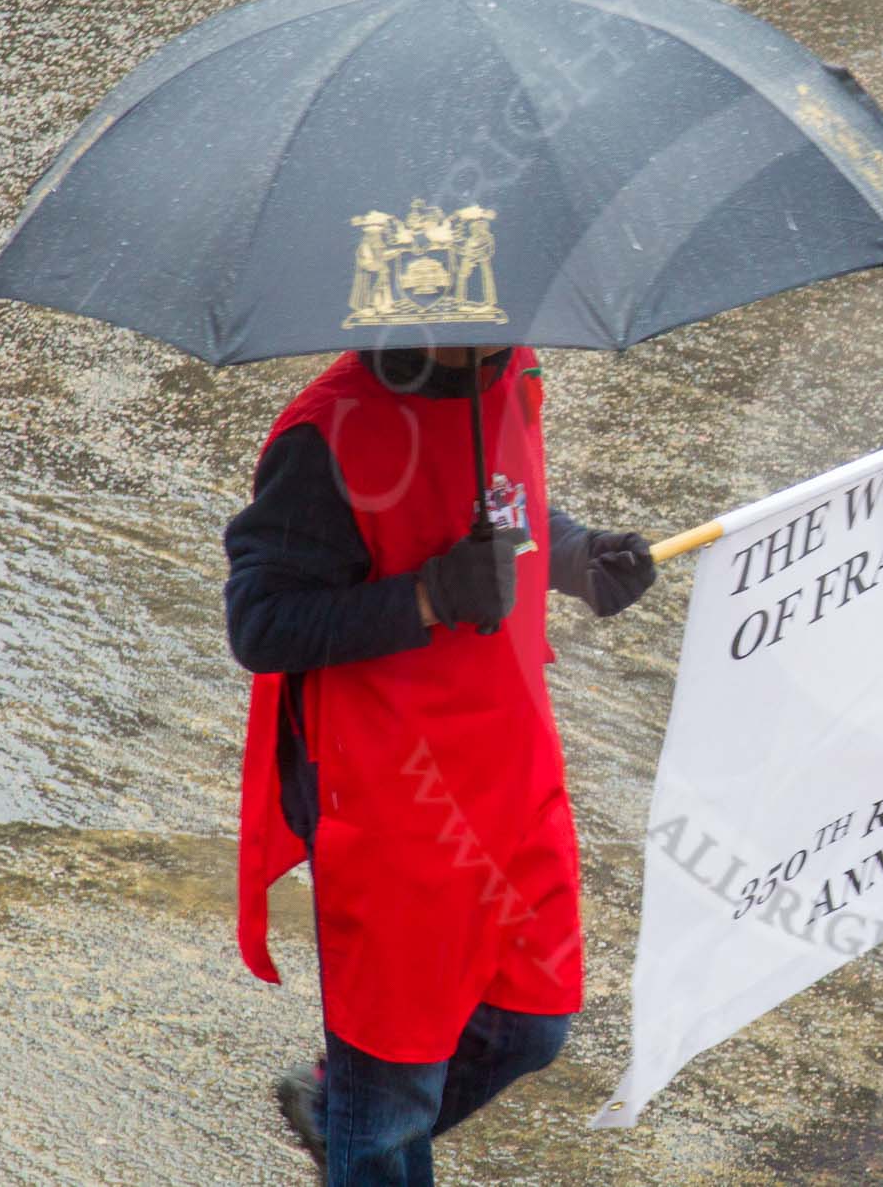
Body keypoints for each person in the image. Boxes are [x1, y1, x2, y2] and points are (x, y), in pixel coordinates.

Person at [223, 343, 658, 1184]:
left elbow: (508, 504)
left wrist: (575, 556)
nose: (490, 329)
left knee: (532, 1023)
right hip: (387, 801)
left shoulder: (512, 369)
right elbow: (262, 623)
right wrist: (426, 596)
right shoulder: (325, 435)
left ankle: (343, 1110)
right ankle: (365, 1123)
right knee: (392, 1107)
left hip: (508, 765)